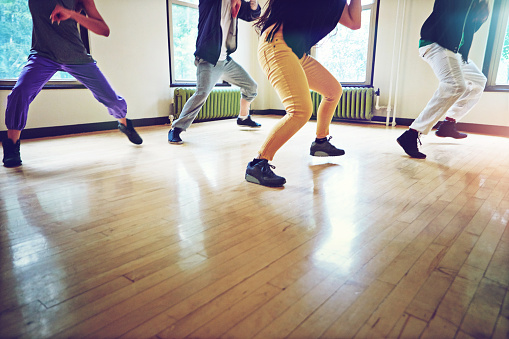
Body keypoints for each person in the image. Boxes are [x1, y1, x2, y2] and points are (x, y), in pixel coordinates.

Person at [2, 0, 142, 168]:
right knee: (20, 93)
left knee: (111, 99)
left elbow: (104, 30)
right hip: (42, 55)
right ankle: (12, 145)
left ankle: (125, 124)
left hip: (76, 56)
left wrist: (73, 14)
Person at [244, 0, 362, 187]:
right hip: (276, 44)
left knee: (333, 91)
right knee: (300, 110)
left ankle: (320, 142)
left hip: (296, 52)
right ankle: (258, 164)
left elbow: (354, 23)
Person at [397, 0, 489, 159]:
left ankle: (448, 124)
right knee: (455, 86)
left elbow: (468, 30)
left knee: (478, 81)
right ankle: (412, 134)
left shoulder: (477, 6)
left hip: (456, 52)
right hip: (436, 44)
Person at [168, 0, 262, 145]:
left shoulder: (235, 2)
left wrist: (253, 2)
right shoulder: (211, 2)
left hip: (225, 61)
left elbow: (252, 14)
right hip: (208, 59)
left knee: (251, 86)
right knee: (202, 93)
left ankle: (243, 118)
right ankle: (176, 128)